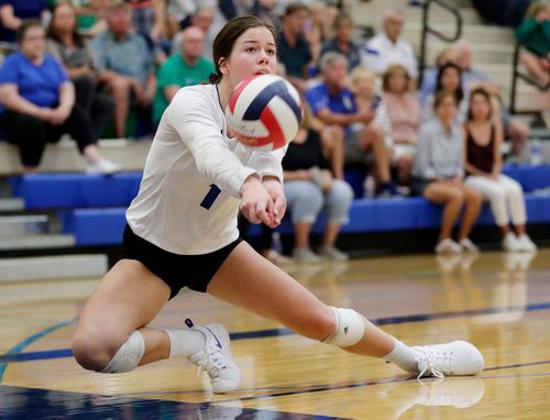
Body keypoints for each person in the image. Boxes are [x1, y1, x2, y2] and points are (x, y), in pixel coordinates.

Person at [71, 15, 484, 394]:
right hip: (153, 251)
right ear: (224, 64)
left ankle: (416, 358)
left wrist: (272, 188)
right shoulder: (191, 102)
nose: (264, 57)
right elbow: (210, 155)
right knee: (96, 349)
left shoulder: (278, 108)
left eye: (270, 50)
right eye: (251, 49)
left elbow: (271, 162)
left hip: (217, 249)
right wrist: (249, 184)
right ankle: (199, 343)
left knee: (320, 321)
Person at [0, 20, 119, 173]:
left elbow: (66, 87)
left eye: (41, 38)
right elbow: (8, 97)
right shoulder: (13, 63)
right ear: (21, 41)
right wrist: (41, 113)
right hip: (20, 117)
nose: (38, 43)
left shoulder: (51, 62)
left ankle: (95, 160)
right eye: (33, 38)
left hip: (50, 117)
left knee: (76, 112)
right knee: (31, 124)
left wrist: (64, 108)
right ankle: (30, 173)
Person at [306, 53, 392, 196]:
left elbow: (368, 117)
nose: (340, 73)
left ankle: (385, 184)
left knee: (376, 131)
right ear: (325, 72)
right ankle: (340, 181)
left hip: (349, 141)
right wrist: (357, 117)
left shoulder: (348, 92)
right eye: (335, 69)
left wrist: (356, 91)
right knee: (336, 130)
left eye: (343, 69)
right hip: (324, 142)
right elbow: (326, 117)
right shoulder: (315, 90)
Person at [463, 89, 537, 252]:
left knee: (514, 188)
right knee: (497, 192)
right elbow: (463, 162)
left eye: (482, 103)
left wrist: (495, 172)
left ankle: (522, 234)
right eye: (475, 103)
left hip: (492, 174)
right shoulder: (464, 128)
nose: (479, 107)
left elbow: (497, 157)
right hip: (472, 177)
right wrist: (484, 175)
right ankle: (506, 235)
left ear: (489, 106)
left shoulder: (495, 127)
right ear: (469, 106)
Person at [412, 91, 483, 254]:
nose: (448, 109)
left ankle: (463, 238)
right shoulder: (426, 131)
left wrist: (458, 176)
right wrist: (441, 180)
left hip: (450, 179)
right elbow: (421, 166)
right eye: (444, 105)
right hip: (426, 181)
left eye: (451, 105)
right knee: (456, 196)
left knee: (475, 196)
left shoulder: (458, 131)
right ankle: (443, 240)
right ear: (436, 108)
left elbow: (459, 163)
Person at [283, 109, 353, 263]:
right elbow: (267, 172)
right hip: (284, 184)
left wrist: (326, 176)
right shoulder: (279, 136)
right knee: (309, 193)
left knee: (342, 190)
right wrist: (300, 175)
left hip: (313, 181)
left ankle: (327, 246)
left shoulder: (314, 135)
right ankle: (301, 248)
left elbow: (323, 165)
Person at [47, 1, 115, 140]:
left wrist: (92, 73)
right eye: (62, 17)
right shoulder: (49, 43)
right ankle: (80, 132)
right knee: (85, 82)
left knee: (107, 104)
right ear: (53, 21)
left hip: (86, 88)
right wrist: (83, 71)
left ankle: (89, 139)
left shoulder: (82, 41)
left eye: (70, 16)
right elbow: (60, 73)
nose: (67, 21)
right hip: (60, 91)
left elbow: (94, 67)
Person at [90, 1, 156, 138]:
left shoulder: (139, 41)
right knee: (121, 85)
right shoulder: (98, 42)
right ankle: (121, 137)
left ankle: (157, 135)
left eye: (125, 15)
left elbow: (150, 70)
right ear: (107, 20)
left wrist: (149, 89)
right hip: (110, 88)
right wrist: (132, 82)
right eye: (117, 16)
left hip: (141, 87)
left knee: (163, 82)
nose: (122, 19)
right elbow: (99, 72)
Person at [152, 25, 215, 124]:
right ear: (182, 44)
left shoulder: (209, 66)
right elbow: (178, 101)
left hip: (200, 117)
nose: (196, 45)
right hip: (168, 120)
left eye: (200, 41)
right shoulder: (169, 66)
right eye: (192, 41)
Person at [381, 64, 421, 187]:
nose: (397, 81)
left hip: (415, 143)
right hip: (394, 144)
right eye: (393, 78)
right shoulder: (382, 99)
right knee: (407, 160)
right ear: (387, 81)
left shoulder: (413, 99)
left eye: (401, 77)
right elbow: (383, 128)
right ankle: (402, 189)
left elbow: (420, 126)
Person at [361, 8, 418, 82]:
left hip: (404, 91)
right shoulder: (372, 47)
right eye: (394, 23)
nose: (397, 28)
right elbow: (372, 75)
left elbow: (413, 76)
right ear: (385, 24)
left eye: (400, 24)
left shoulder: (407, 47)